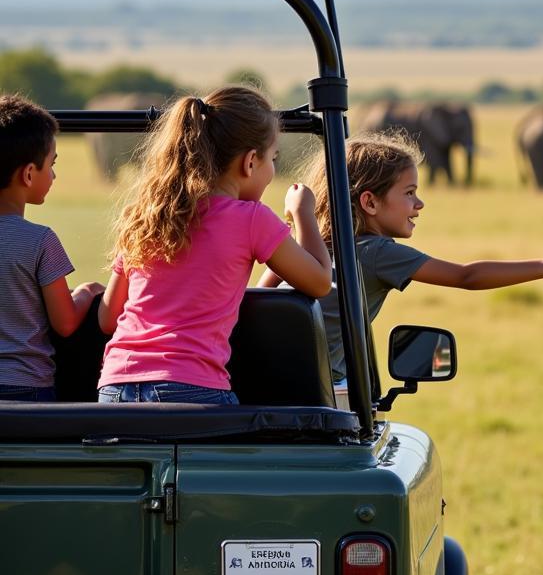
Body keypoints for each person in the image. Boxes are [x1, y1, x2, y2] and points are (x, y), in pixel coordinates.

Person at [259, 130, 543, 401]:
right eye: (409, 193)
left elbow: (261, 299)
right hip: (319, 390)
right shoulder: (376, 251)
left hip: (270, 380)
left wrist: (297, 223)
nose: (419, 203)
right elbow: (467, 276)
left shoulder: (314, 247)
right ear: (370, 202)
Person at [97, 86, 332, 405]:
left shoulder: (148, 215)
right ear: (250, 162)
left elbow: (109, 320)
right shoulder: (251, 219)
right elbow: (319, 281)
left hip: (114, 388)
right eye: (272, 158)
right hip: (192, 389)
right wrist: (304, 212)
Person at [0, 95, 105, 401]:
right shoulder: (41, 240)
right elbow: (66, 322)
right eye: (52, 164)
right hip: (27, 389)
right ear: (29, 174)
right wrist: (85, 292)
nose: (55, 175)